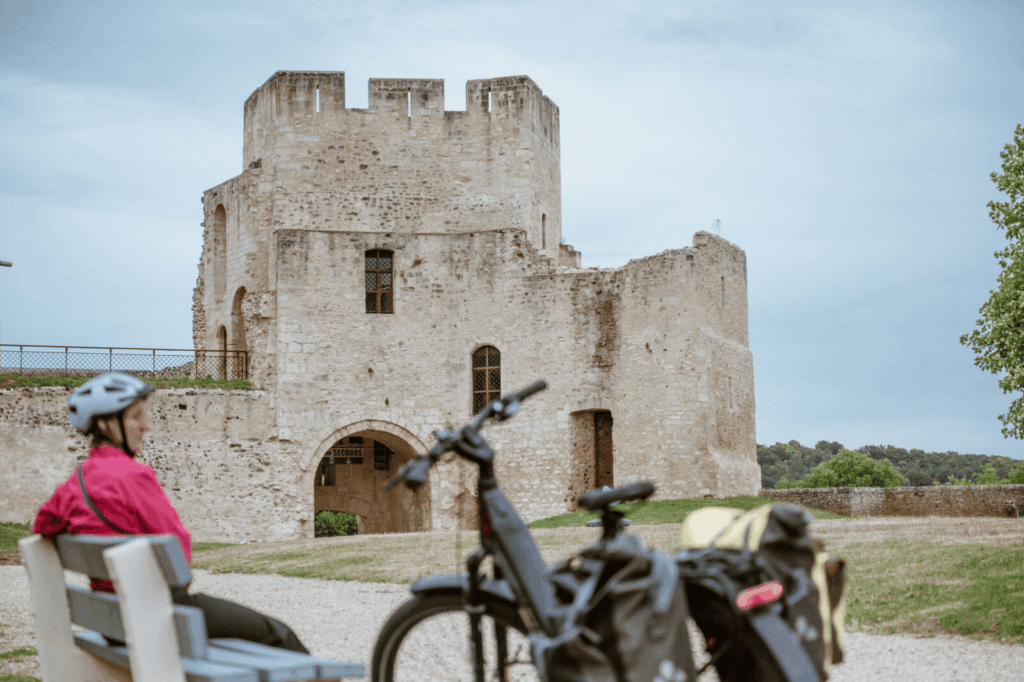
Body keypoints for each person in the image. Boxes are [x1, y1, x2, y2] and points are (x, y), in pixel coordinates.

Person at [32, 371, 309, 653]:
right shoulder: (131, 474)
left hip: (112, 623)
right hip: (155, 614)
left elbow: (43, 525)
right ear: (106, 423)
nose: (145, 426)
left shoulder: (76, 481)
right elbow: (178, 551)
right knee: (281, 636)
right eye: (136, 416)